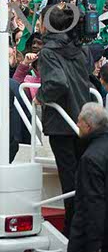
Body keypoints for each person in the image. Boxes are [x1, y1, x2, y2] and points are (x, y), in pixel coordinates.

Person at [36, 5, 93, 236]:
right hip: (82, 120)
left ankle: (73, 232)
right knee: (81, 180)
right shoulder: (80, 50)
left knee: (70, 182)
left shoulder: (48, 52)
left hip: (62, 124)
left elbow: (57, 83)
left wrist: (40, 96)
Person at [69, 102, 108, 252]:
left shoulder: (90, 159)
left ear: (88, 126)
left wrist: (93, 244)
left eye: (79, 120)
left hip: (94, 237)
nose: (77, 124)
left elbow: (92, 204)